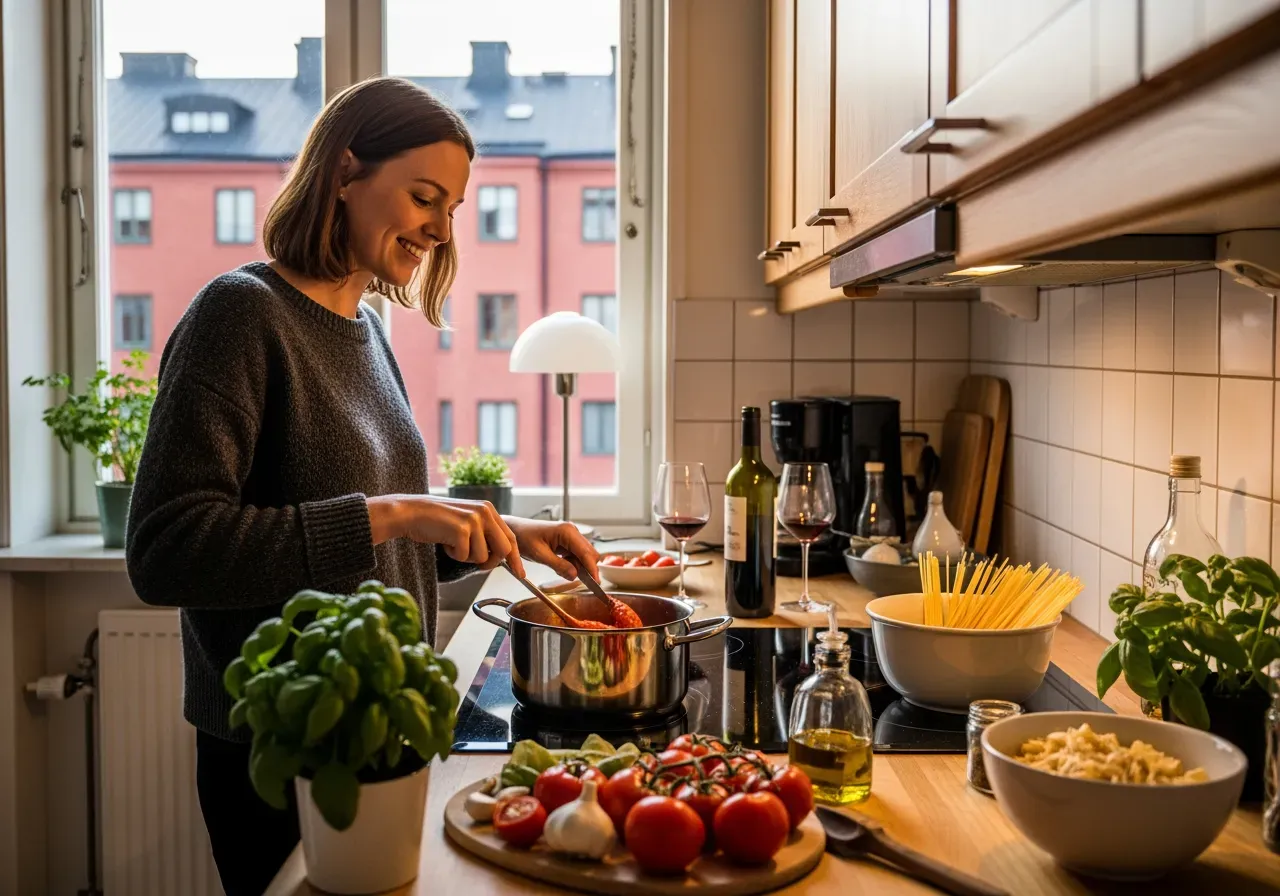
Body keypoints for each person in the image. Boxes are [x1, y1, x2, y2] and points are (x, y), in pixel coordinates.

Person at [124, 77, 599, 896]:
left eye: (452, 207)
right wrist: (395, 513)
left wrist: (499, 535)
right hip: (286, 743)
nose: (442, 230)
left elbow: (383, 538)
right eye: (424, 197)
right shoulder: (239, 315)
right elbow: (166, 551)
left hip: (385, 726)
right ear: (345, 172)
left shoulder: (368, 331)